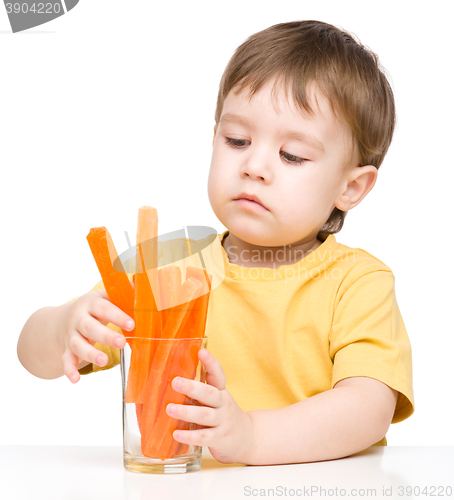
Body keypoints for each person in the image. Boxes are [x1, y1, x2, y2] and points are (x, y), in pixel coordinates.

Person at [17, 20, 414, 466]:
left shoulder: (357, 283)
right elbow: (30, 354)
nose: (255, 165)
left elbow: (368, 408)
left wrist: (252, 437)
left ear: (352, 188)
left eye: (292, 155)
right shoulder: (168, 271)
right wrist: (63, 327)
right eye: (237, 140)